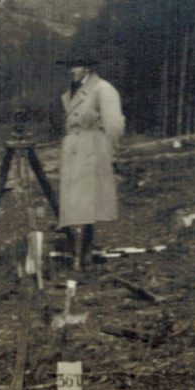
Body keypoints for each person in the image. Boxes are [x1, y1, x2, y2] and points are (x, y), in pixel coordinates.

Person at [55, 54, 125, 270]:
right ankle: (79, 254)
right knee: (76, 204)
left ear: (88, 67)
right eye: (70, 65)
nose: (73, 70)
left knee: (86, 204)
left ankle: (82, 257)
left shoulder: (102, 89)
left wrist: (111, 154)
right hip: (74, 149)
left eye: (77, 64)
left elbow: (114, 124)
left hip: (91, 149)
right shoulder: (71, 93)